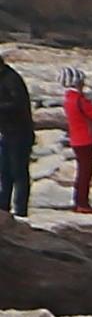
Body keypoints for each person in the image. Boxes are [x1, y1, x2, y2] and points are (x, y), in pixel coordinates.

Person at [55, 66, 92, 215]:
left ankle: (79, 201)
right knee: (85, 173)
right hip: (85, 139)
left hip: (77, 139)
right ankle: (82, 203)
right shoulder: (79, 100)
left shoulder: (69, 99)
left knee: (82, 172)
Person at [0, 52, 31, 222]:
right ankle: (3, 207)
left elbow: (18, 104)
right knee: (4, 172)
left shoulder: (11, 79)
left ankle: (20, 209)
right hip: (6, 131)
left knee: (18, 171)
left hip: (19, 132)